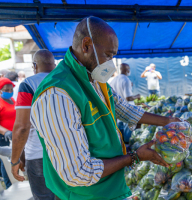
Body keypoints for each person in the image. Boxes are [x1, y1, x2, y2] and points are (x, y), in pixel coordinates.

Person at [25, 17, 180, 200]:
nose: (111, 64)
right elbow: (79, 173)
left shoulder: (94, 78)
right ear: (86, 45)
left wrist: (170, 122)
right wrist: (134, 157)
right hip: (83, 195)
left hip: (109, 188)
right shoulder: (56, 95)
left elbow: (123, 108)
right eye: (108, 55)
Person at [11, 50, 56, 200]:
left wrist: (15, 159)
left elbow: (23, 127)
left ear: (34, 66)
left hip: (38, 156)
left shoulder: (28, 85)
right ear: (54, 66)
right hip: (68, 154)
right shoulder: (67, 82)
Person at [110, 63, 141, 143]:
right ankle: (128, 150)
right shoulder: (126, 80)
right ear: (127, 70)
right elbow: (128, 98)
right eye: (128, 69)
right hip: (127, 111)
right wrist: (137, 96)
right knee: (128, 137)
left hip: (117, 111)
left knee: (120, 133)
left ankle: (122, 148)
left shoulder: (114, 79)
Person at [0, 77, 16, 189]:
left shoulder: (13, 100)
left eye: (11, 89)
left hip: (14, 136)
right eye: (6, 90)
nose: (9, 92)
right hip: (3, 137)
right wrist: (6, 132)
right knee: (5, 164)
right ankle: (10, 187)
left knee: (14, 160)